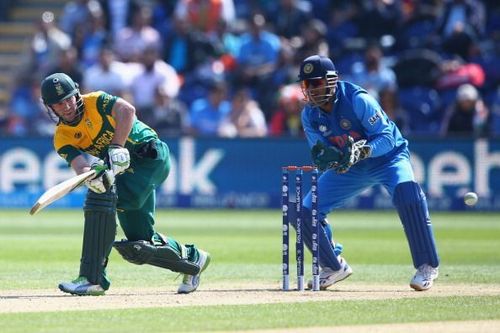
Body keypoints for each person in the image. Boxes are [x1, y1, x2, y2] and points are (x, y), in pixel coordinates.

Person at [40, 73, 210, 296]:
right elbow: (80, 167)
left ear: (77, 94)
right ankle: (192, 259)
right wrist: (91, 177)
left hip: (149, 156)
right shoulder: (62, 136)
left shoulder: (96, 101)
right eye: (59, 104)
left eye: (69, 98)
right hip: (123, 171)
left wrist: (116, 147)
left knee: (99, 202)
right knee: (139, 245)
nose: (67, 106)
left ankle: (92, 278)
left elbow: (127, 110)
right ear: (50, 107)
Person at [295, 55, 439, 291]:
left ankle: (426, 266)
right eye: (306, 85)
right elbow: (319, 154)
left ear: (331, 81)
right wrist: (332, 160)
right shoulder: (309, 114)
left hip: (388, 158)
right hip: (351, 167)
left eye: (316, 83)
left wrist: (365, 150)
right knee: (305, 211)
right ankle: (333, 266)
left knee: (408, 195)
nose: (311, 90)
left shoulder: (358, 99)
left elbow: (387, 138)